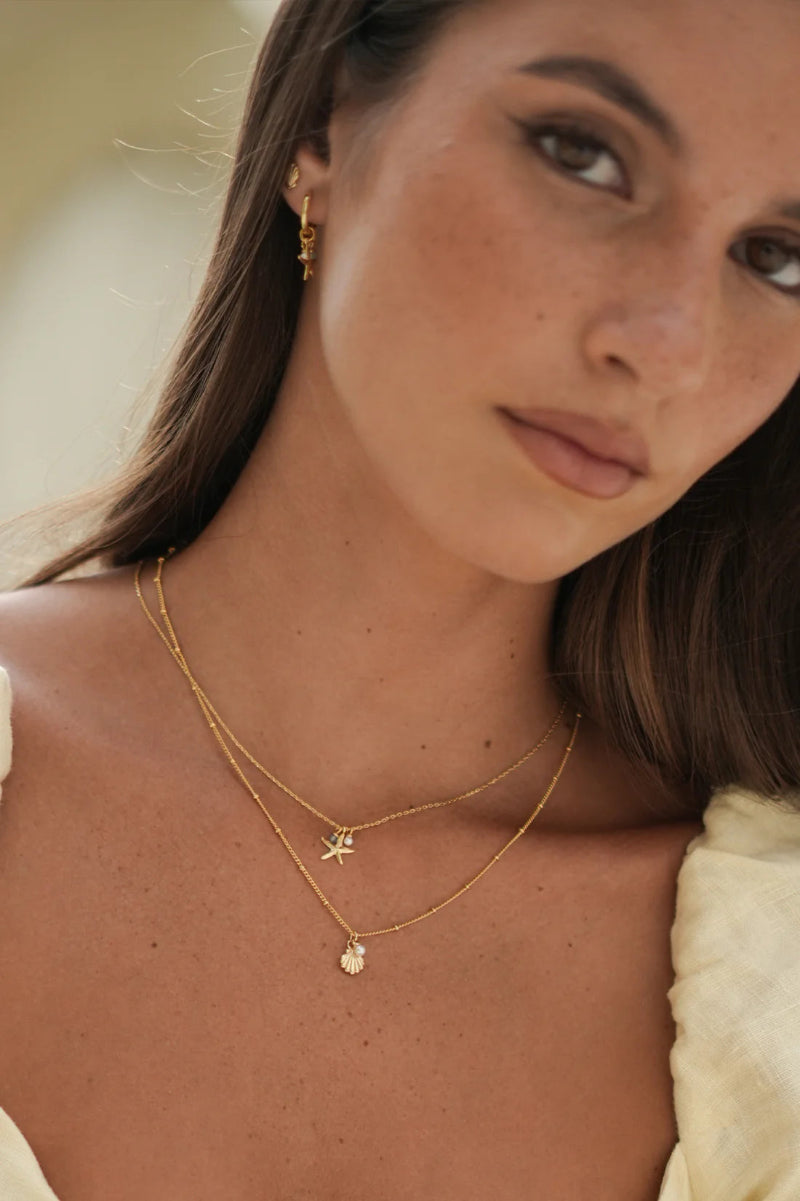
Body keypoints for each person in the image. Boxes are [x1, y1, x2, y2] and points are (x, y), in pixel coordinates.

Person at [1, 0, 799, 1196]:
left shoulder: (774, 973)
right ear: (321, 125)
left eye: (776, 256)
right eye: (583, 155)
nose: (666, 344)